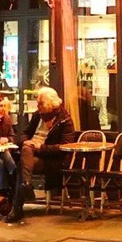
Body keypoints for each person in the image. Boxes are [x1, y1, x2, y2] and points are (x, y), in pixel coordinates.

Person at [6, 86, 74, 223]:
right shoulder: (38, 116)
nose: (38, 106)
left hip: (51, 159)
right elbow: (25, 133)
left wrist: (40, 147)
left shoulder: (65, 120)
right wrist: (26, 141)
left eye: (40, 103)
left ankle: (18, 204)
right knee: (25, 151)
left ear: (50, 104)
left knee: (21, 165)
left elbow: (64, 147)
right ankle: (25, 184)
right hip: (31, 154)